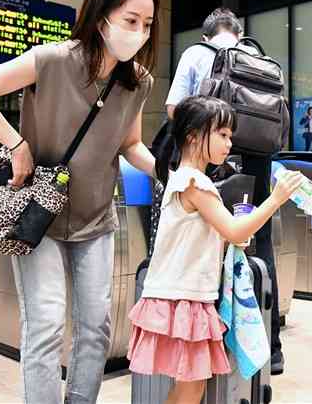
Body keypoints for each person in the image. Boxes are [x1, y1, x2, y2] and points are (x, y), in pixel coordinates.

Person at [0, 0, 160, 404]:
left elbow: (131, 143)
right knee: (46, 324)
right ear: (101, 16)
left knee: (97, 326)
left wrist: (168, 169)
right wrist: (16, 144)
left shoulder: (137, 81)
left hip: (96, 217)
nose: (139, 33)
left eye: (147, 25)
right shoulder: (51, 60)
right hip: (37, 217)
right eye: (130, 21)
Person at [127, 95, 301, 404]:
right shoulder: (196, 183)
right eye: (222, 134)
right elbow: (234, 229)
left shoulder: (181, 178)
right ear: (193, 136)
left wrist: (228, 237)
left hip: (178, 296)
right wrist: (275, 199)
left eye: (230, 135)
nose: (229, 143)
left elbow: (211, 235)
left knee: (189, 386)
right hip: (184, 298)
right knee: (191, 387)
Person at [163, 7, 289, 375]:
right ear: (238, 33)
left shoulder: (195, 54)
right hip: (258, 163)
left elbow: (175, 110)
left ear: (206, 35)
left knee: (209, 243)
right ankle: (272, 348)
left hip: (215, 159)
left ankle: (212, 345)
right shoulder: (258, 58)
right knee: (257, 243)